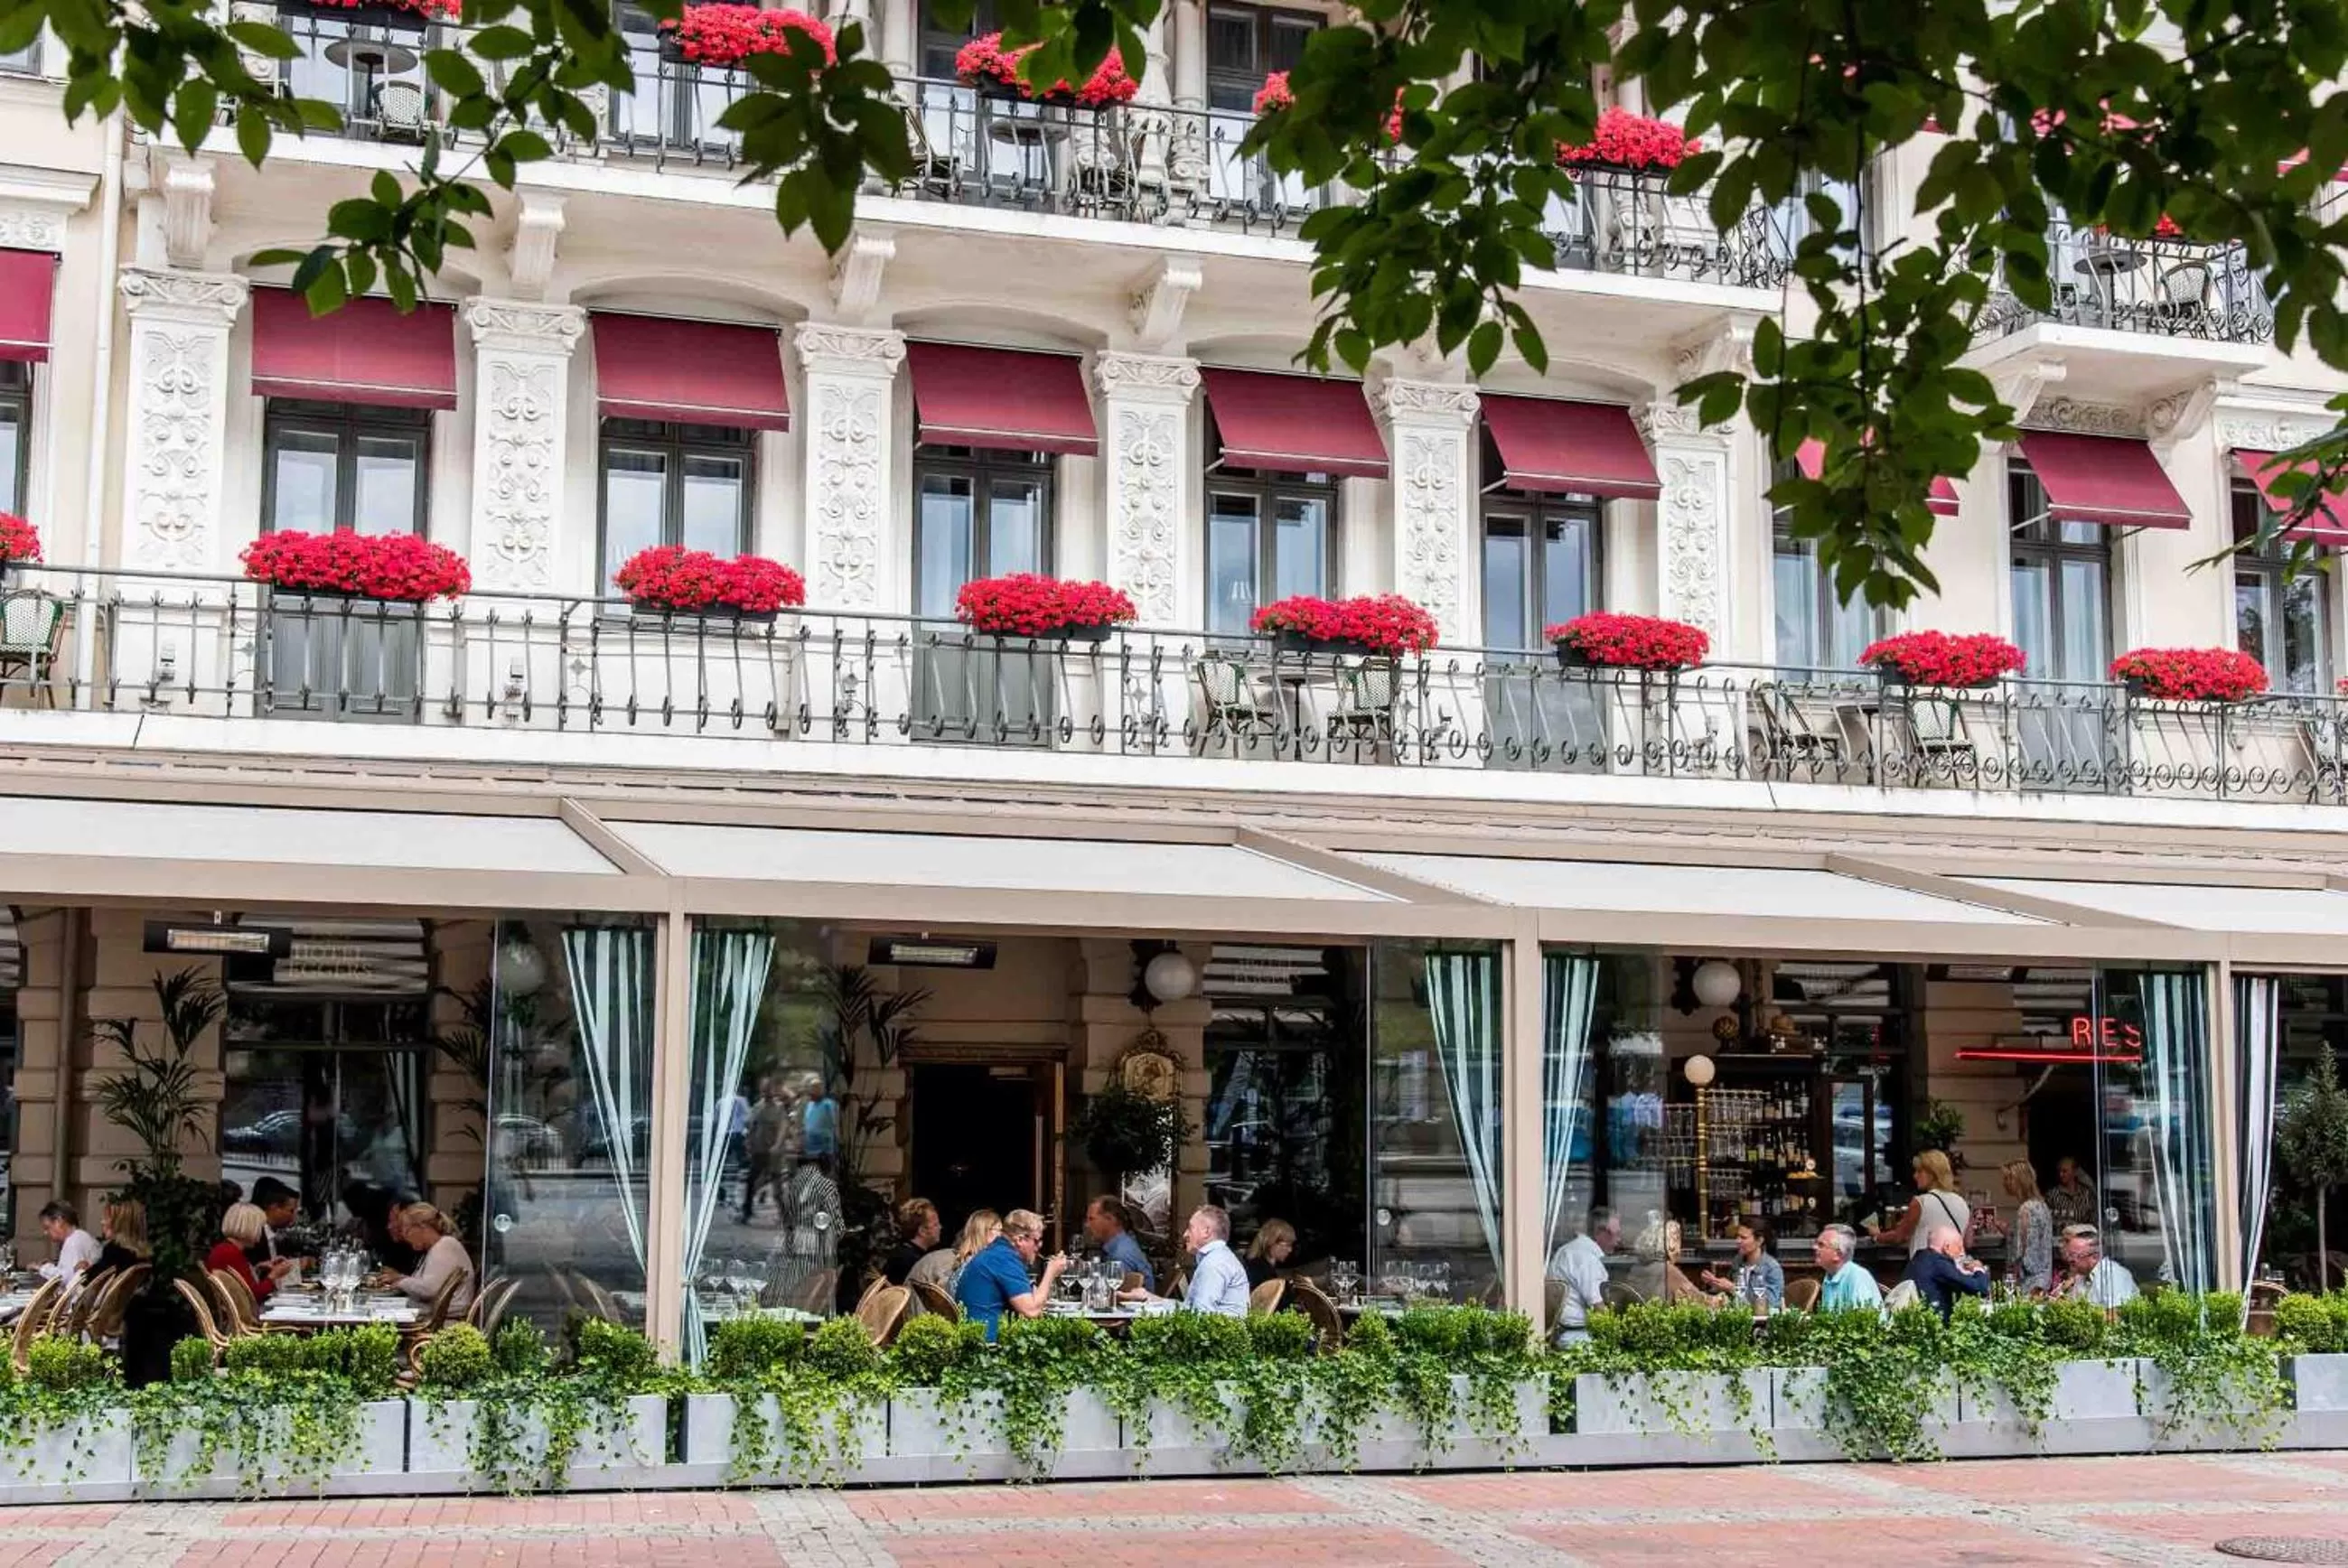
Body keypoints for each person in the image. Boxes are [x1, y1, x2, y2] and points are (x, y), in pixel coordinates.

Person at [954, 1208, 1066, 1340]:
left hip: (977, 1337)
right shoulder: (1004, 1259)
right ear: (1020, 1240)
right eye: (1036, 1241)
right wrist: (1051, 1272)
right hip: (987, 1345)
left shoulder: (997, 1252)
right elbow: (1031, 1311)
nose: (1040, 1246)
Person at [1866, 1150, 1973, 1256]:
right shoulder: (1962, 1203)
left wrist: (1877, 1236)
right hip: (1953, 1269)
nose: (1915, 1176)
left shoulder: (1921, 1202)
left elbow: (1900, 1236)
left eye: (1919, 1171)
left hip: (1927, 1268)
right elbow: (1968, 1242)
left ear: (1932, 1174)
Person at [379, 1203, 475, 1314]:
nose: (405, 1236)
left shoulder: (444, 1246)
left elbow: (429, 1289)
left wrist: (400, 1282)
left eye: (407, 1230)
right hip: (434, 1315)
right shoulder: (437, 1246)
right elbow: (429, 1282)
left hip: (443, 1321)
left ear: (422, 1226)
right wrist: (400, 1278)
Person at [1546, 1205, 1621, 1342]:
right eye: (1615, 1234)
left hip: (1560, 1334)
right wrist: (1621, 1333)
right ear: (1600, 1232)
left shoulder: (1567, 1250)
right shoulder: (1587, 1258)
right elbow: (1599, 1307)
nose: (1619, 1240)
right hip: (1578, 1337)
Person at [1900, 1224, 1991, 1321]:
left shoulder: (1920, 1257)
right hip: (1934, 1326)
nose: (1962, 1253)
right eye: (1959, 1247)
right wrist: (1978, 1269)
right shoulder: (1939, 1264)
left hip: (1915, 1321)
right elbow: (1980, 1289)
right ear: (1947, 1247)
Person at [1989, 1159, 2055, 1293]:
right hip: (2043, 1277)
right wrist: (2010, 1232)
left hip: (2030, 1281)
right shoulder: (2041, 1204)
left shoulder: (2026, 1209)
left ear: (2017, 1181)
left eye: (2007, 1179)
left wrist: (2013, 1271)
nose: (2004, 1183)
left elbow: (2023, 1250)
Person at [208, 1202, 293, 1304]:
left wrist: (257, 1269)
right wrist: (273, 1276)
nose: (261, 1233)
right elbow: (253, 1296)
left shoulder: (225, 1249)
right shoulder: (231, 1253)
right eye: (260, 1228)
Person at [1625, 1217, 1721, 1305]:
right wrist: (1723, 1297)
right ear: (1671, 1244)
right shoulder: (1668, 1271)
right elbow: (1699, 1300)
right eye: (1678, 1240)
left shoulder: (1637, 1268)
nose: (1680, 1249)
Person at [1178, 1205, 1250, 1316]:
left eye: (1190, 1228)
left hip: (1218, 1332)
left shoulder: (1214, 1263)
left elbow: (1200, 1316)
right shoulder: (1217, 1257)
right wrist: (1156, 1302)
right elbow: (1189, 1308)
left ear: (1206, 1231)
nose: (1185, 1234)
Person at [1700, 1219, 1785, 1308]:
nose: (1738, 1241)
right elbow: (1729, 1295)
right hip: (1738, 1318)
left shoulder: (1772, 1268)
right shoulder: (1738, 1261)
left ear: (1759, 1241)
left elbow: (1770, 1305)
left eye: (1743, 1238)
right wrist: (1714, 1283)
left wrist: (1733, 1288)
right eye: (1737, 1237)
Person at [912, 1209, 999, 1293]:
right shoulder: (973, 1264)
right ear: (984, 1232)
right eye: (999, 1230)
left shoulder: (968, 1262)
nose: (1002, 1235)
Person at [739, 1076, 788, 1225]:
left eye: (769, 1089)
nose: (767, 1092)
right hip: (759, 1152)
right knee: (751, 1181)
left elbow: (783, 1129)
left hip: (773, 1153)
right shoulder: (757, 1107)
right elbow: (750, 1126)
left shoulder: (779, 1109)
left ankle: (785, 1215)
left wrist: (778, 1145)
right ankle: (746, 1212)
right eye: (764, 1089)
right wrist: (748, 1143)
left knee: (777, 1185)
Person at [2051, 1225, 2139, 1308]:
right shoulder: (2082, 1276)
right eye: (2069, 1255)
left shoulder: (2113, 1275)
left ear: (2095, 1257)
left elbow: (2116, 1315)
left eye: (2075, 1256)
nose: (2070, 1260)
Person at [1085, 1196, 1155, 1293]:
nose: (1087, 1225)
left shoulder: (1120, 1256)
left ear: (1111, 1219)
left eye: (1091, 1219)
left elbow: (1117, 1299)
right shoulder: (1121, 1245)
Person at [1813, 1224, 1883, 1312]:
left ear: (1837, 1254)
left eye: (1821, 1245)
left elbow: (1860, 1321)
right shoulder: (1829, 1277)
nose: (1814, 1247)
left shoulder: (1857, 1277)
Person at [36, 1200, 100, 1283]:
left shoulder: (74, 1242)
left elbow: (65, 1279)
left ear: (59, 1221)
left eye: (47, 1227)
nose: (45, 1233)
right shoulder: (80, 1237)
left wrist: (41, 1268)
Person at [884, 1198, 940, 1286]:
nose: (940, 1228)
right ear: (922, 1231)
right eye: (935, 1225)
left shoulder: (902, 1252)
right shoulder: (911, 1261)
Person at [251, 1177, 302, 1261]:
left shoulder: (276, 1237)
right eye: (291, 1210)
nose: (294, 1216)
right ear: (274, 1207)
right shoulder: (253, 1238)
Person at [2047, 1156, 2100, 1231]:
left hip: (2083, 1238)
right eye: (2059, 1171)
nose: (2061, 1175)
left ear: (2074, 1172)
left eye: (2064, 1171)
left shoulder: (2087, 1195)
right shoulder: (2052, 1195)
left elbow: (2094, 1221)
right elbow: (2047, 1220)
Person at [1242, 1218, 1294, 1291]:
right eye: (1288, 1245)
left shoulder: (1260, 1267)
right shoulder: (1259, 1271)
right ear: (1272, 1243)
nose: (1290, 1250)